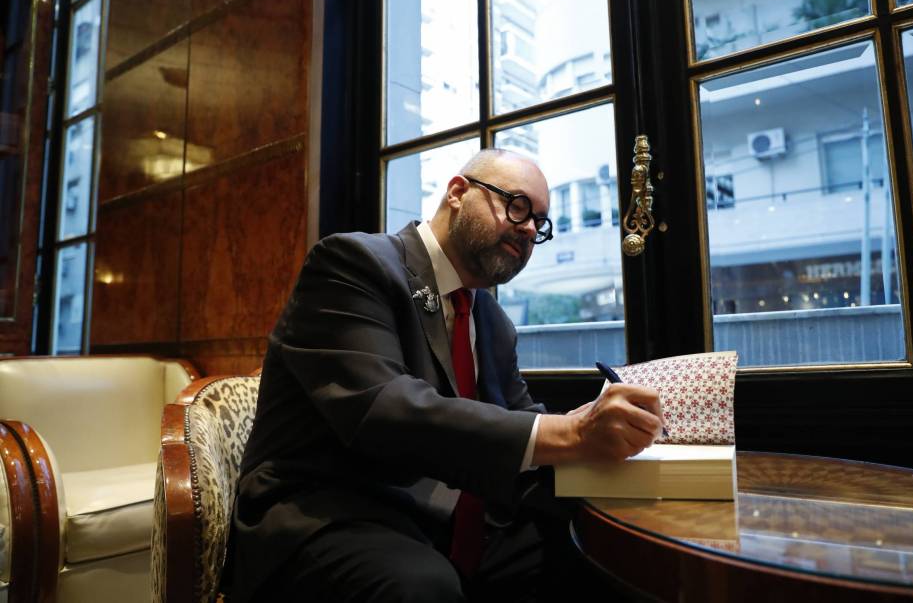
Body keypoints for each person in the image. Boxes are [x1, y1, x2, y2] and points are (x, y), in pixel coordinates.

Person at [226, 149, 663, 602]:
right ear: (458, 192)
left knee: (586, 546)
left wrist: (593, 434)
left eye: (540, 222)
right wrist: (567, 431)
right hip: (329, 511)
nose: (531, 228)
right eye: (517, 206)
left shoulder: (491, 320)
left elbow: (523, 421)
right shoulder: (354, 264)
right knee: (422, 585)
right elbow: (383, 411)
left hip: (443, 515)